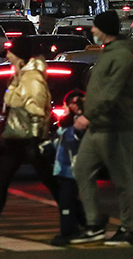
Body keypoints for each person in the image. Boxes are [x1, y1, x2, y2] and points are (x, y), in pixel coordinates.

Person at [0, 41, 61, 245]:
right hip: (17, 140)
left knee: (52, 185)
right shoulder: (19, 77)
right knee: (2, 183)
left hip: (28, 140)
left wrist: (35, 140)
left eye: (9, 54)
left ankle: (81, 220)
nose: (6, 57)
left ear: (18, 56)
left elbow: (36, 111)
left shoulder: (32, 78)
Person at [70, 11, 133, 246]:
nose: (93, 32)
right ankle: (94, 224)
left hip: (117, 127)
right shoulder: (109, 53)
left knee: (122, 180)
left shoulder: (120, 56)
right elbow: (102, 92)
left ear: (105, 31)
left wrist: (88, 115)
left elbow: (112, 93)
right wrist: (83, 104)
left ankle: (128, 227)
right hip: (100, 125)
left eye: (96, 28)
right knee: (82, 169)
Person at [50, 91, 87, 246]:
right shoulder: (67, 126)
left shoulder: (78, 124)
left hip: (71, 168)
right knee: (70, 199)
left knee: (66, 200)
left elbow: (73, 137)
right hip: (66, 168)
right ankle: (86, 224)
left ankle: (68, 231)